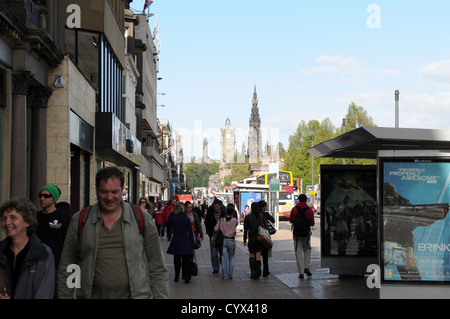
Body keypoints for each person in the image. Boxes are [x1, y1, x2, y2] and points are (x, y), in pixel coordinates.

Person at [57, 166, 169, 299]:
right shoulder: (80, 220)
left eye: (114, 192)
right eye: (104, 192)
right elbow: (69, 266)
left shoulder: (141, 218)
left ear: (122, 190)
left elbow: (156, 266)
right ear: (97, 190)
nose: (109, 197)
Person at [0, 198, 55, 299]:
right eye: (4, 219)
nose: (7, 223)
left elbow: (43, 295)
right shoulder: (1, 252)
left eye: (13, 218)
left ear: (27, 222)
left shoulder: (43, 254)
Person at [35, 185, 72, 275]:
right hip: (38, 266)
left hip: (58, 268)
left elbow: (71, 242)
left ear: (54, 198)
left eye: (46, 196)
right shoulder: (34, 217)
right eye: (40, 195)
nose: (42, 198)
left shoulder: (64, 217)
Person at [166, 204, 194, 283]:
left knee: (177, 260)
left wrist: (171, 213)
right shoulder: (186, 219)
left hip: (176, 240)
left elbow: (167, 223)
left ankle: (176, 276)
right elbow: (190, 232)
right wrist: (192, 243)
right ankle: (186, 278)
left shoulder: (173, 219)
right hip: (185, 240)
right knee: (186, 260)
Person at [290, 194, 315, 279]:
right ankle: (306, 267)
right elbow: (312, 223)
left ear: (299, 200)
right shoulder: (309, 210)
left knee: (298, 252)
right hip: (306, 234)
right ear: (306, 200)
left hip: (296, 234)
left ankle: (300, 272)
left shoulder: (294, 209)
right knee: (307, 250)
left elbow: (291, 220)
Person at [214, 204, 238, 280]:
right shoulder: (234, 220)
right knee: (231, 257)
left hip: (223, 240)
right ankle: (230, 274)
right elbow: (235, 226)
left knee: (224, 258)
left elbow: (215, 229)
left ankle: (224, 275)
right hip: (232, 240)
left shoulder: (221, 220)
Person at [243, 202, 264, 279]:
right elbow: (264, 226)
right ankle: (258, 271)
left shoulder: (248, 217)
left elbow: (245, 230)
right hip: (259, 238)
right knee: (258, 255)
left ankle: (253, 272)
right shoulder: (260, 216)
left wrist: (245, 239)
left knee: (251, 254)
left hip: (251, 238)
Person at [205, 199, 225, 273]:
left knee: (222, 252)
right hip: (213, 235)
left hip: (222, 236)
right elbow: (207, 223)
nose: (216, 208)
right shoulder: (210, 213)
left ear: (220, 206)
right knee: (214, 253)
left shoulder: (223, 213)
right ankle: (216, 268)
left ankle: (223, 266)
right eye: (214, 206)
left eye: (217, 206)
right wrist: (210, 234)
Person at [258, 200, 274, 277]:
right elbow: (273, 220)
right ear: (263, 207)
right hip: (264, 236)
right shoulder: (265, 214)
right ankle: (265, 271)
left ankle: (257, 271)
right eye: (265, 206)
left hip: (257, 236)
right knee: (265, 254)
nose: (266, 208)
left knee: (257, 254)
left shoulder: (254, 214)